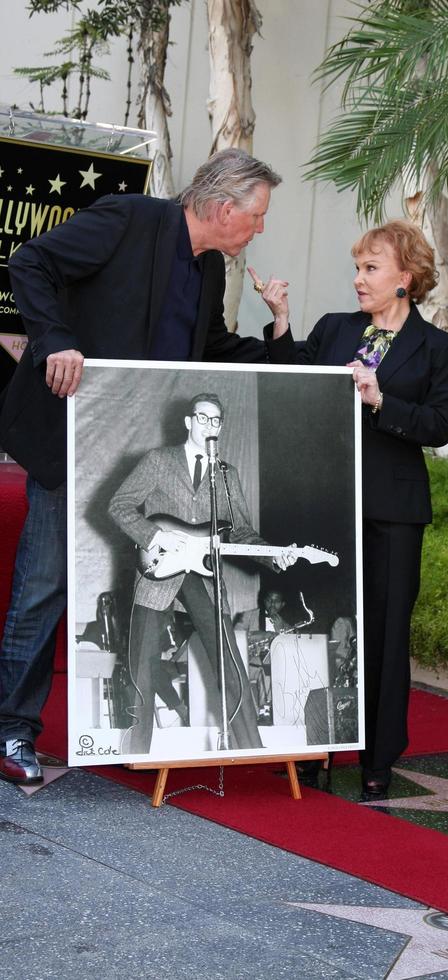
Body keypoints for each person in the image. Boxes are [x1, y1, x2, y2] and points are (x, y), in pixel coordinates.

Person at [0, 147, 291, 785]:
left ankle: (122, 732)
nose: (260, 228)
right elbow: (31, 263)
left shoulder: (209, 268)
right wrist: (55, 339)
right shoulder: (126, 219)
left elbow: (210, 347)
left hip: (137, 452)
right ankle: (12, 731)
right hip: (72, 434)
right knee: (44, 583)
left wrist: (284, 344)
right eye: (258, 215)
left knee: (115, 590)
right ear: (223, 208)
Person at [252, 219, 448, 796]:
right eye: (358, 267)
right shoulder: (334, 328)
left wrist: (381, 401)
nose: (358, 280)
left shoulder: (437, 348)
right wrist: (280, 324)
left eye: (371, 269)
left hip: (392, 511)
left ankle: (377, 759)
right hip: (324, 503)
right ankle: (310, 745)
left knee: (385, 634)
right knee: (314, 622)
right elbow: (290, 383)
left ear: (407, 277)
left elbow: (444, 424)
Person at [107, 392, 297, 754]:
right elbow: (119, 505)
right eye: (203, 418)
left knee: (231, 668)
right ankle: (136, 757)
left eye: (216, 420)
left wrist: (274, 557)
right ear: (188, 422)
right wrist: (155, 535)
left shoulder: (226, 475)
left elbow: (241, 531)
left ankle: (250, 751)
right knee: (142, 670)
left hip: (205, 575)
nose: (210, 426)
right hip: (158, 571)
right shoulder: (158, 461)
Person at [234, 587, 290, 718]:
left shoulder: (285, 625)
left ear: (282, 604)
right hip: (247, 663)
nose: (272, 604)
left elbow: (292, 645)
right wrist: (262, 635)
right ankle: (265, 710)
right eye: (269, 600)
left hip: (272, 664)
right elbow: (235, 635)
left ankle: (274, 709)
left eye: (276, 601)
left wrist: (280, 630)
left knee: (273, 668)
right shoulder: (248, 616)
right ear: (264, 601)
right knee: (265, 669)